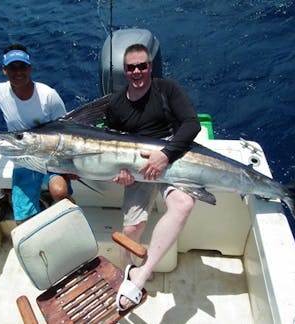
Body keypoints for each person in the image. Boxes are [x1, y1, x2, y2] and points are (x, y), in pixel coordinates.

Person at [105, 43, 201, 310]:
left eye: (142, 66)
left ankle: (139, 277)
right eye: (131, 67)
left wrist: (166, 154)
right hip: (139, 169)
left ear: (150, 66)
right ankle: (124, 271)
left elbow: (192, 124)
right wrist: (123, 174)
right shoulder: (115, 105)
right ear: (124, 71)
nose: (137, 72)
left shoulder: (167, 89)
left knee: (184, 203)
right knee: (131, 229)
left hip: (172, 160)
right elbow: (113, 145)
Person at [0, 43, 73, 224]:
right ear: (4, 70)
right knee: (22, 220)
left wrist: (70, 166)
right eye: (12, 68)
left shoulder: (48, 95)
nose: (18, 72)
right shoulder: (0, 91)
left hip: (52, 157)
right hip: (23, 158)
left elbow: (66, 130)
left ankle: (75, 225)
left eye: (22, 66)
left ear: (30, 68)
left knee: (60, 192)